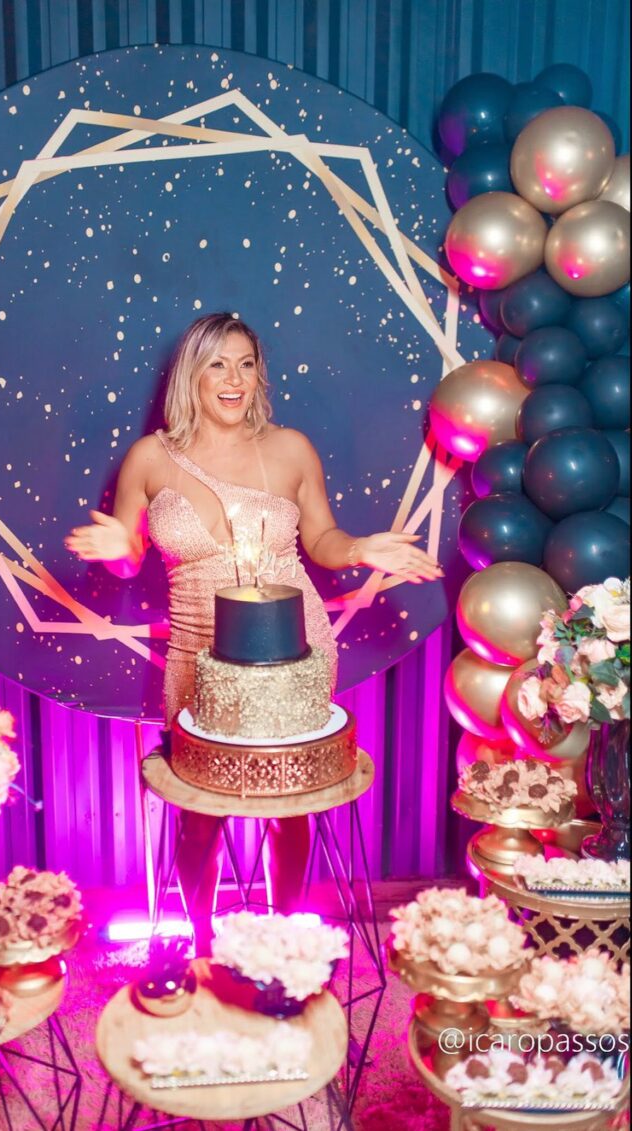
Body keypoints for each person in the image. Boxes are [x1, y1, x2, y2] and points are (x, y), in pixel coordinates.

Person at [66, 312, 442, 953]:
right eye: (217, 365)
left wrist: (361, 548)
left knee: (289, 806)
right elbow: (129, 557)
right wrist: (117, 550)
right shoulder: (151, 458)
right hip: (196, 653)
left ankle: (283, 945)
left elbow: (322, 539)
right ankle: (204, 949)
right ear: (191, 376)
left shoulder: (290, 448)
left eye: (245, 364)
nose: (234, 379)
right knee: (199, 812)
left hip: (292, 651)